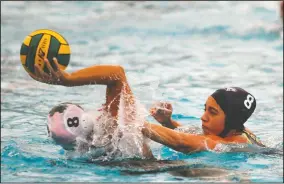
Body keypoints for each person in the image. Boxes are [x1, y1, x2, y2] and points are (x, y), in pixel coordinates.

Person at [30, 57, 153, 159]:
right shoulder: (111, 127)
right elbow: (117, 73)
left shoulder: (83, 157)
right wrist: (68, 79)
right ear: (86, 119)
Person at [142, 87, 266, 154]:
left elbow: (181, 142)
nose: (203, 117)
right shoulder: (239, 130)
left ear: (231, 121)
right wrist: (167, 122)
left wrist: (136, 123)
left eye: (212, 112)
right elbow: (190, 135)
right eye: (205, 109)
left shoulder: (225, 144)